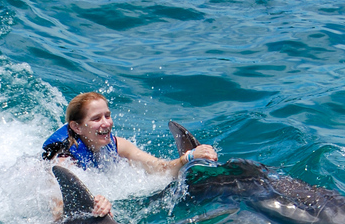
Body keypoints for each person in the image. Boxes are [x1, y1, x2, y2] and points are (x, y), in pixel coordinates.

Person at [43, 92, 217, 217]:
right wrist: (92, 206)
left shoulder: (117, 144)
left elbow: (159, 168)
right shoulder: (64, 161)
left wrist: (188, 157)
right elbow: (58, 213)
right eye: (96, 119)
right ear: (77, 127)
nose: (106, 123)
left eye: (108, 115)